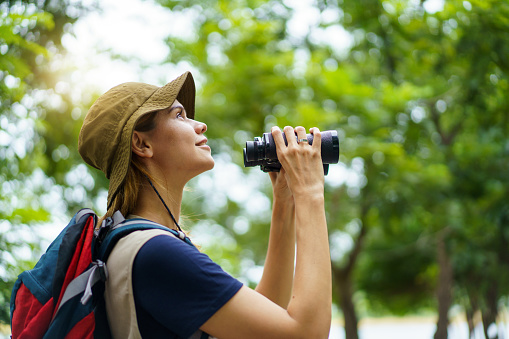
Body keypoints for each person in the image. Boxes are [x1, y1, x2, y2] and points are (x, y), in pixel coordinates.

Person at [78, 71, 332, 338]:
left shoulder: (139, 243)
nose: (200, 125)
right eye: (179, 116)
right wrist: (310, 192)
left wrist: (286, 201)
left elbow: (267, 319)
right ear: (142, 144)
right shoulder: (156, 252)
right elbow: (307, 333)